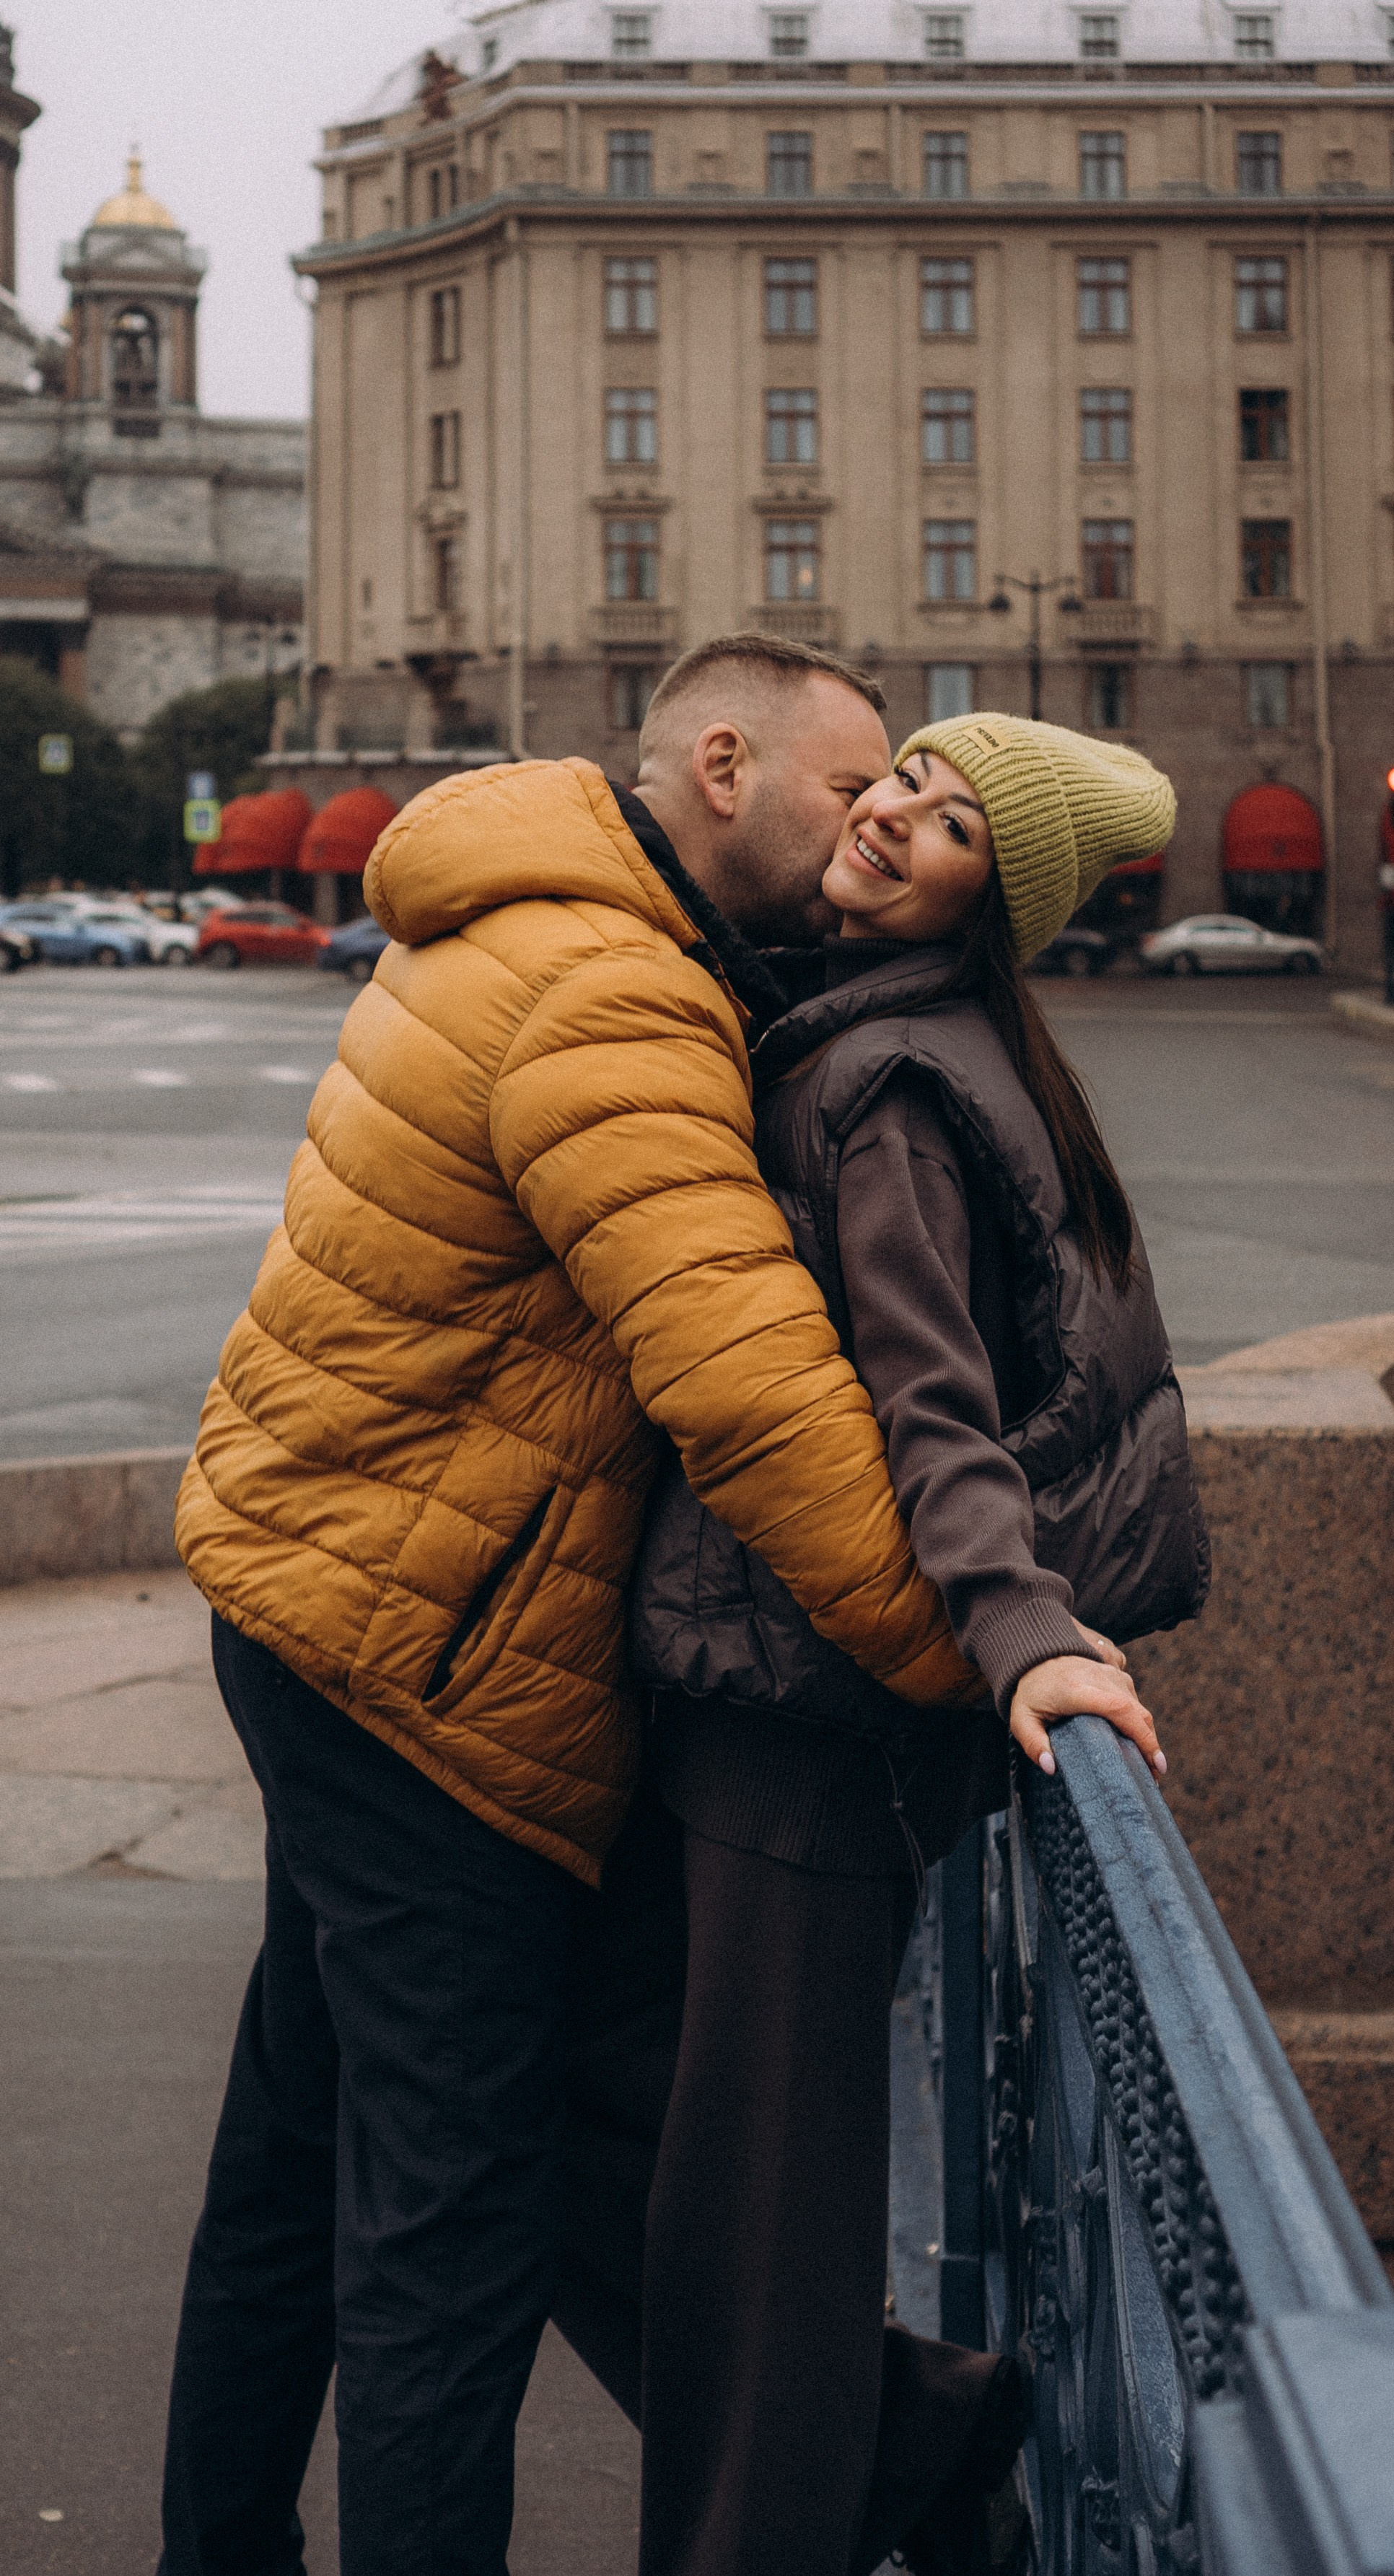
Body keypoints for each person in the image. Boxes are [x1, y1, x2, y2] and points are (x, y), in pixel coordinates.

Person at [158, 636, 996, 2576]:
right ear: (721, 760)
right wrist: (963, 1647)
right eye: (842, 780)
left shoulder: (542, 913)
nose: (868, 814)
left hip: (327, 1603)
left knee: (292, 2162)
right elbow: (752, 1382)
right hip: (422, 1669)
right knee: (441, 2232)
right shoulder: (612, 993)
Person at [555, 711, 1209, 2576]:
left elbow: (936, 1408)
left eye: (940, 827)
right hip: (762, 1706)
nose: (893, 813)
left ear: (981, 901)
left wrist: (1017, 1635)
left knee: (755, 2234)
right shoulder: (897, 1037)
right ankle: (915, 2436)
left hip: (800, 1727)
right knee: (593, 2123)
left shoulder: (892, 1084)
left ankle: (809, 2503)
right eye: (903, 776)